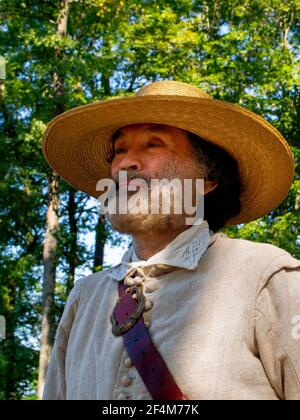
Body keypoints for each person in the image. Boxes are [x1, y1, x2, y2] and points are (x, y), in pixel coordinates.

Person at [42, 80, 300, 400]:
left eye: (154, 144)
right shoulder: (84, 299)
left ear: (208, 180)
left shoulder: (267, 277)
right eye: (119, 150)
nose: (125, 163)